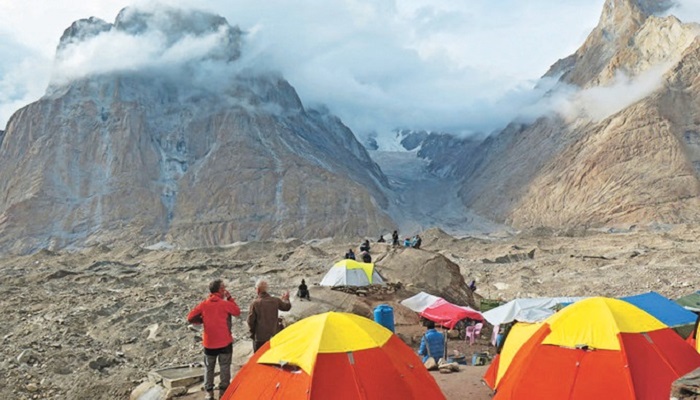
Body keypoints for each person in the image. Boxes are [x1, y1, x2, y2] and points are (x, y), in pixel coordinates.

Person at [187, 279, 241, 400]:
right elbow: (237, 312)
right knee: (225, 367)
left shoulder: (204, 304)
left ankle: (209, 393)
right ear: (220, 290)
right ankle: (223, 393)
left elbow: (190, 317)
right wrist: (230, 298)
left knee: (209, 368)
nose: (225, 289)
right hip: (224, 342)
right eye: (223, 288)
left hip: (209, 343)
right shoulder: (225, 304)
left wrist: (202, 320)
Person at [247, 279, 292, 352]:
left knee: (260, 359)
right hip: (274, 335)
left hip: (260, 338)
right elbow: (287, 307)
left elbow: (250, 321)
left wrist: (252, 334)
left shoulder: (255, 303)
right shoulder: (275, 300)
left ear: (257, 290)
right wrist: (286, 299)